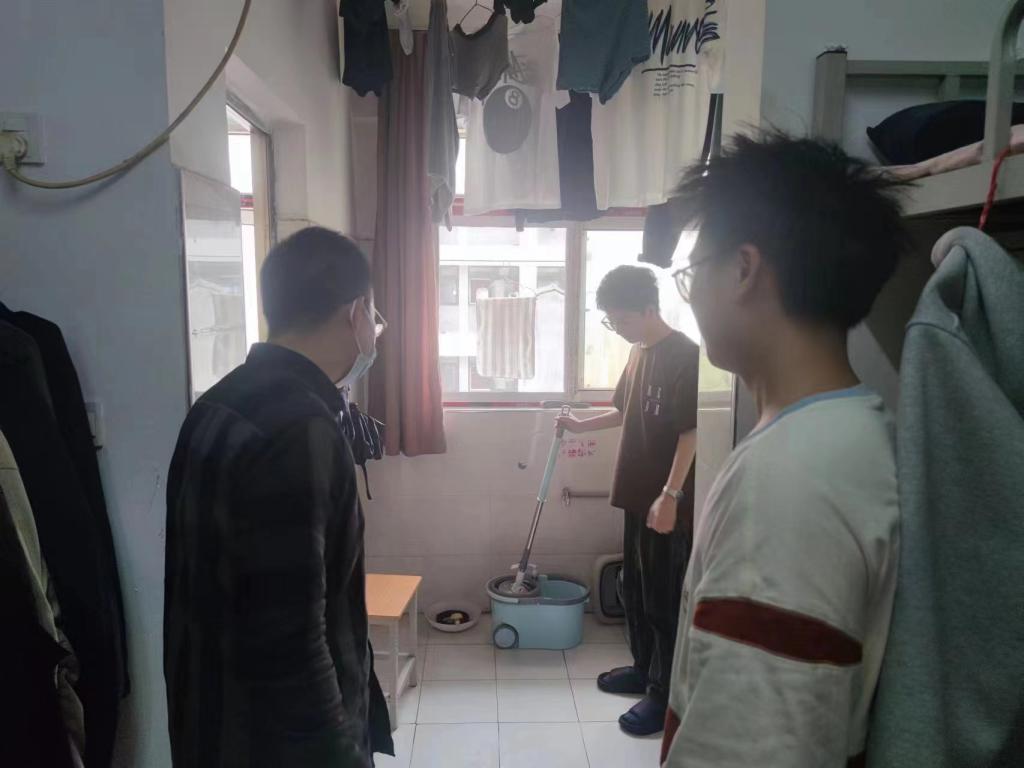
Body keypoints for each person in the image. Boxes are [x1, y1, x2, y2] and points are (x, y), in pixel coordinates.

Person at [660, 132, 909, 766]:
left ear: (743, 270)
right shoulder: (844, 433)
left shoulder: (789, 482)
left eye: (691, 274)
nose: (691, 296)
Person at [164, 227, 393, 767]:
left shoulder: (219, 402)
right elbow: (294, 639)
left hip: (211, 723)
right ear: (356, 313)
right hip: (279, 747)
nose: (375, 331)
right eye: (374, 315)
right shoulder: (300, 428)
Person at [558, 265, 699, 736]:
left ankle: (663, 695)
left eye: (621, 319)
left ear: (648, 308)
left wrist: (671, 495)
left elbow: (691, 432)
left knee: (663, 597)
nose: (616, 328)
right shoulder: (639, 351)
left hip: (666, 502)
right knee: (635, 589)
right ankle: (643, 668)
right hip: (637, 495)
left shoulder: (686, 356)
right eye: (610, 321)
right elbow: (623, 409)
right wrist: (579, 425)